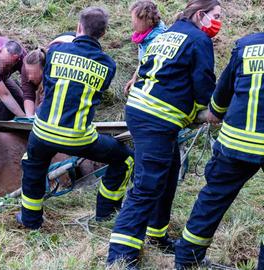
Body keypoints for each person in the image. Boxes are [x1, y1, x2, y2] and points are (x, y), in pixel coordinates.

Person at [107, 0, 222, 267]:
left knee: (169, 173)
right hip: (155, 119)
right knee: (147, 186)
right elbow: (203, 82)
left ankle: (157, 235)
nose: (219, 22)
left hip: (143, 112)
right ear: (201, 15)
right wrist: (209, 110)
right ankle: (120, 257)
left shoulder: (169, 33)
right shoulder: (198, 40)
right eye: (216, 16)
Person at [16, 7, 134, 230]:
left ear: (78, 27)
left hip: (42, 132)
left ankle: (30, 221)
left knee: (33, 164)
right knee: (125, 159)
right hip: (78, 137)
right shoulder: (108, 65)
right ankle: (105, 214)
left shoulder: (54, 52)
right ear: (104, 33)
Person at [174, 32, 264, 269]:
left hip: (235, 141)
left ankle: (186, 258)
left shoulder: (246, 45)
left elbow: (223, 90)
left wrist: (215, 110)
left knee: (213, 198)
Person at [21, 33, 76, 117]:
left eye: (34, 74)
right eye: (28, 73)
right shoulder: (27, 65)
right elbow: (28, 94)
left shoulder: (55, 71)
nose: (29, 78)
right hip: (60, 42)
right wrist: (30, 118)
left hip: (75, 48)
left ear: (44, 69)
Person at [124, 0, 167, 96]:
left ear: (148, 20)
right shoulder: (145, 35)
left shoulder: (158, 41)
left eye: (135, 20)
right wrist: (134, 79)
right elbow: (142, 60)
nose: (133, 24)